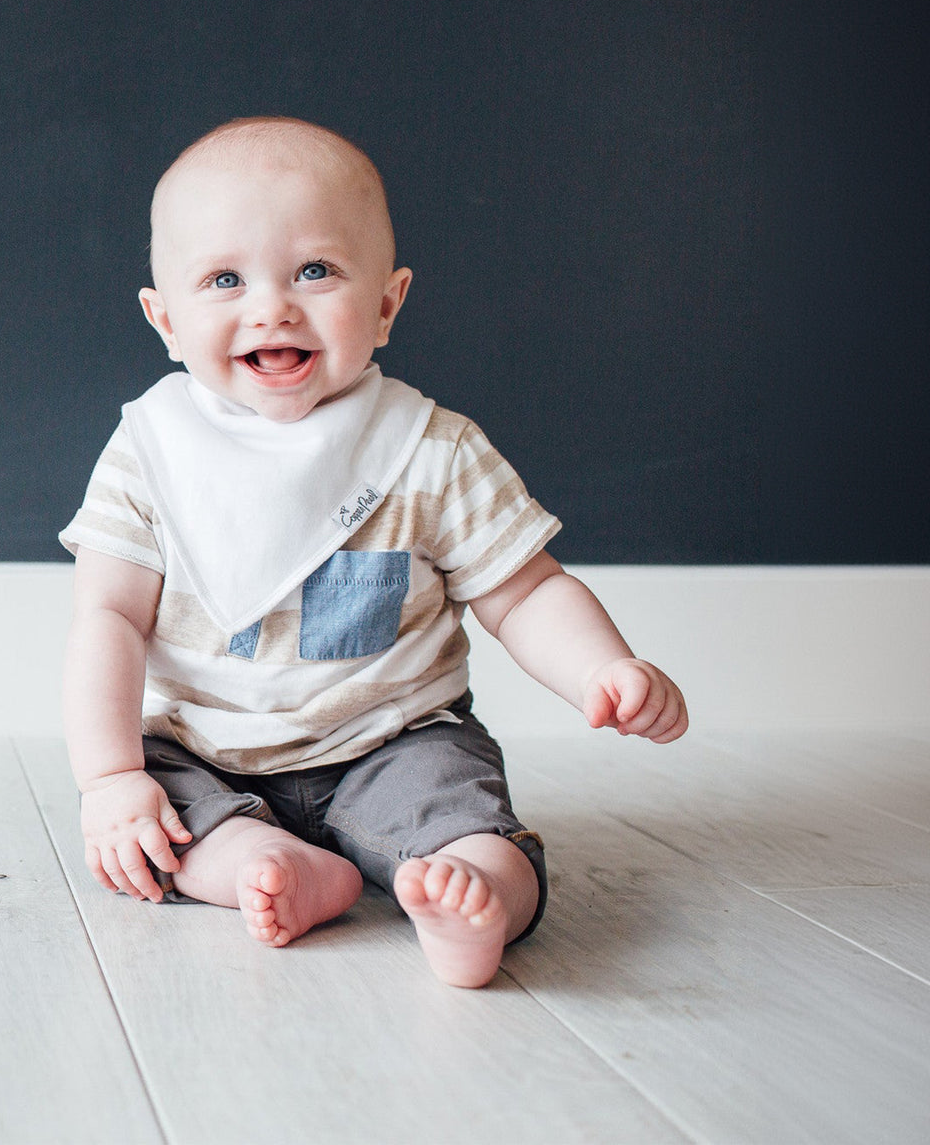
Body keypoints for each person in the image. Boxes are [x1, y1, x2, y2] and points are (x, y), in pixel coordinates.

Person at [60, 116, 687, 988]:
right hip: (205, 748)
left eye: (315, 271)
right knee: (161, 830)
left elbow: (527, 591)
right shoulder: (151, 455)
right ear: (165, 320)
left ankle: (480, 894)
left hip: (393, 743)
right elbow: (109, 618)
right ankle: (262, 867)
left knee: (464, 818)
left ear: (388, 303)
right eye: (225, 279)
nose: (271, 305)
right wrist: (109, 778)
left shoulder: (429, 449)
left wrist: (602, 670)